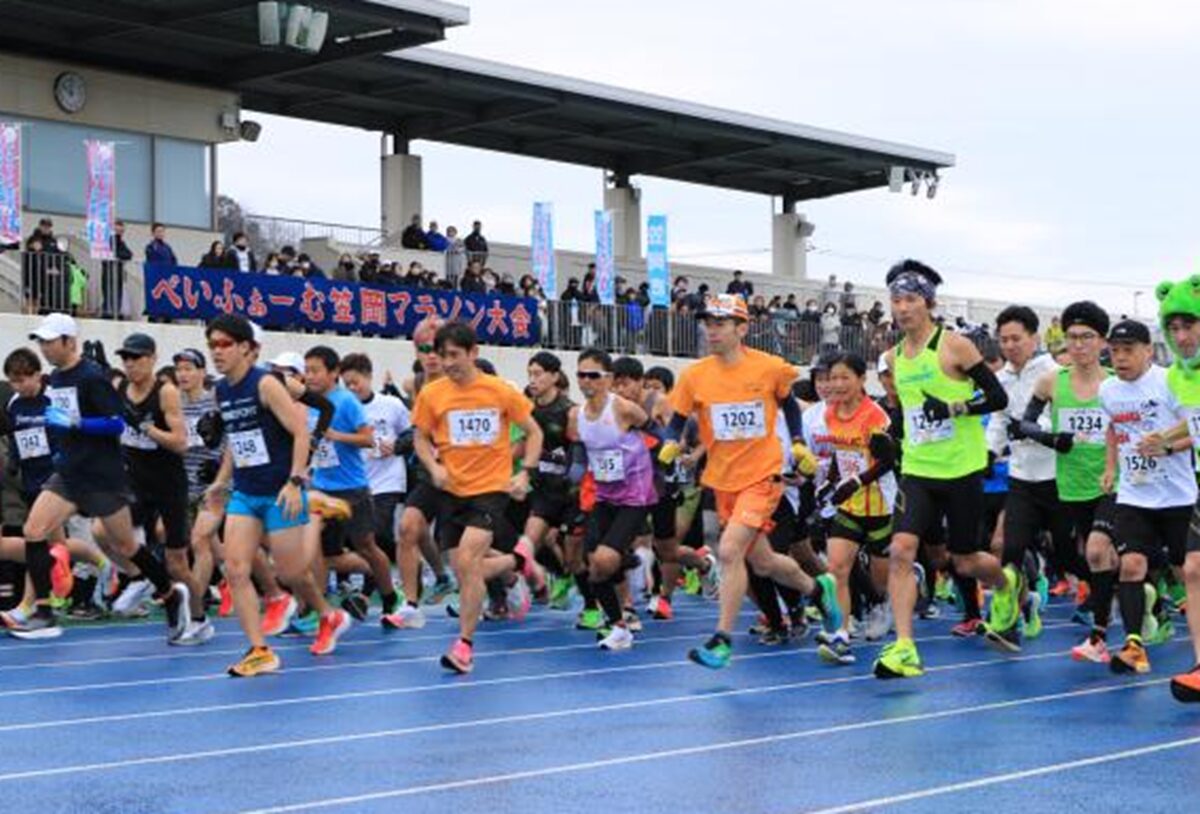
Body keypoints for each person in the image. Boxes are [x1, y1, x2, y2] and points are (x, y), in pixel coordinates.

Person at [658, 293, 840, 669]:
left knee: (728, 551)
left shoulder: (769, 367)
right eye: (708, 323)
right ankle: (818, 589)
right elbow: (678, 417)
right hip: (722, 480)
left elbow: (788, 402)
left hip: (763, 475)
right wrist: (672, 441)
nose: (712, 330)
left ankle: (722, 639)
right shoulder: (695, 375)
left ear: (742, 328)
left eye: (721, 324)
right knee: (763, 561)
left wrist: (801, 443)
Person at [875, 259, 1016, 679]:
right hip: (919, 470)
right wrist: (890, 435)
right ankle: (904, 647)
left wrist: (954, 406)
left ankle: (1009, 585)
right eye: (896, 300)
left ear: (929, 303)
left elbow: (997, 398)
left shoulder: (954, 346)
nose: (902, 308)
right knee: (901, 550)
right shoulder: (892, 356)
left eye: (911, 299)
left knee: (965, 561)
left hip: (961, 469)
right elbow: (909, 413)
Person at [9, 313, 188, 640]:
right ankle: (43, 611)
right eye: (42, 342)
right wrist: (61, 442)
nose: (45, 348)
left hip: (101, 475)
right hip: (69, 473)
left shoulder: (92, 376)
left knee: (125, 544)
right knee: (34, 530)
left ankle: (169, 592)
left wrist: (76, 424)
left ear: (69, 341)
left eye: (51, 342)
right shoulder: (56, 378)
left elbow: (116, 424)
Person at [205, 314, 349, 676]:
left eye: (224, 345)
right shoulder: (221, 390)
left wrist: (296, 482)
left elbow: (301, 432)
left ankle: (328, 614)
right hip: (246, 492)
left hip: (281, 491)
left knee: (292, 572)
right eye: (212, 345)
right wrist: (222, 480)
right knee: (236, 568)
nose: (217, 352)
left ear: (245, 348)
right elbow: (236, 441)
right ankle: (259, 650)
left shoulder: (267, 384)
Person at [410, 321, 544, 674]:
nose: (449, 362)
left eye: (455, 355)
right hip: (451, 492)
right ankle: (518, 562)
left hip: (491, 492)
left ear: (473, 353)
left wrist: (525, 471)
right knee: (464, 569)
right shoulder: (432, 394)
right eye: (443, 355)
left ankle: (464, 645)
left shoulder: (499, 391)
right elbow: (420, 438)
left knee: (469, 559)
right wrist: (433, 466)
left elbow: (534, 432)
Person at [1017, 302, 1116, 661]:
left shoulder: (1114, 384)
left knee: (1096, 551)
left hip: (1112, 482)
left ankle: (1100, 636)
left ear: (1102, 342)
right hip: (1070, 484)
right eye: (1072, 337)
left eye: (1087, 337)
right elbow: (1023, 424)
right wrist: (1051, 439)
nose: (1079, 345)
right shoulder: (1051, 381)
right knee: (1085, 556)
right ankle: (1141, 596)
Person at [1097, 320, 1196, 675]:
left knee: (1189, 571)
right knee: (1131, 565)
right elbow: (1113, 428)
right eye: (1114, 351)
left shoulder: (1169, 381)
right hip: (1135, 494)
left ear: (1148, 351)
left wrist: (1168, 446)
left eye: (1128, 351)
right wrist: (1111, 467)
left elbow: (1196, 428)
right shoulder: (1107, 389)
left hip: (1178, 495)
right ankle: (1134, 645)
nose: (1120, 358)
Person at [113, 333, 213, 644]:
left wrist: (146, 426)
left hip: (169, 485)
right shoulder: (121, 388)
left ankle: (199, 620)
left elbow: (180, 443)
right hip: (135, 482)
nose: (130, 364)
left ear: (153, 358)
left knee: (178, 563)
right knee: (108, 533)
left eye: (137, 358)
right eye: (125, 358)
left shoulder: (166, 392)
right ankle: (145, 579)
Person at [982, 305, 1066, 651]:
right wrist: (988, 453)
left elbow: (1062, 423)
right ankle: (1007, 621)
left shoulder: (1056, 374)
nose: (1010, 345)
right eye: (1004, 340)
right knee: (1009, 549)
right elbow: (1000, 422)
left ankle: (1140, 600)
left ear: (1034, 337)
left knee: (1069, 555)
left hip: (1058, 478)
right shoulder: (1000, 380)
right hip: (1021, 478)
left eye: (1017, 338)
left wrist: (1033, 428)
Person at [303, 347, 400, 622]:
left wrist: (335, 435)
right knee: (319, 550)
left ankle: (391, 595)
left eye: (315, 370)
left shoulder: (346, 402)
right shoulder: (309, 403)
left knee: (366, 545)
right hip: (321, 488)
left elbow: (368, 439)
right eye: (306, 370)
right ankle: (316, 610)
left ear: (333, 373)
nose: (309, 376)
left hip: (352, 488)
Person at [570, 349, 658, 650]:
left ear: (607, 379)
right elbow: (580, 450)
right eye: (581, 374)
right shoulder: (576, 415)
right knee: (593, 567)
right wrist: (575, 473)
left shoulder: (622, 409)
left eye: (593, 375)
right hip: (604, 495)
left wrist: (665, 460)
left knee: (606, 558)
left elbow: (656, 432)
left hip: (635, 495)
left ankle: (632, 562)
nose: (586, 381)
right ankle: (619, 626)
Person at [815, 353, 897, 665]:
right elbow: (840, 453)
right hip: (848, 505)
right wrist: (831, 482)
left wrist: (858, 481)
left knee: (878, 578)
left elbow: (888, 462)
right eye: (832, 378)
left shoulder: (875, 417)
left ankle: (883, 602)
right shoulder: (831, 412)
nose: (837, 384)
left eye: (844, 377)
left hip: (879, 505)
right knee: (837, 568)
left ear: (862, 380)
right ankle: (841, 634)